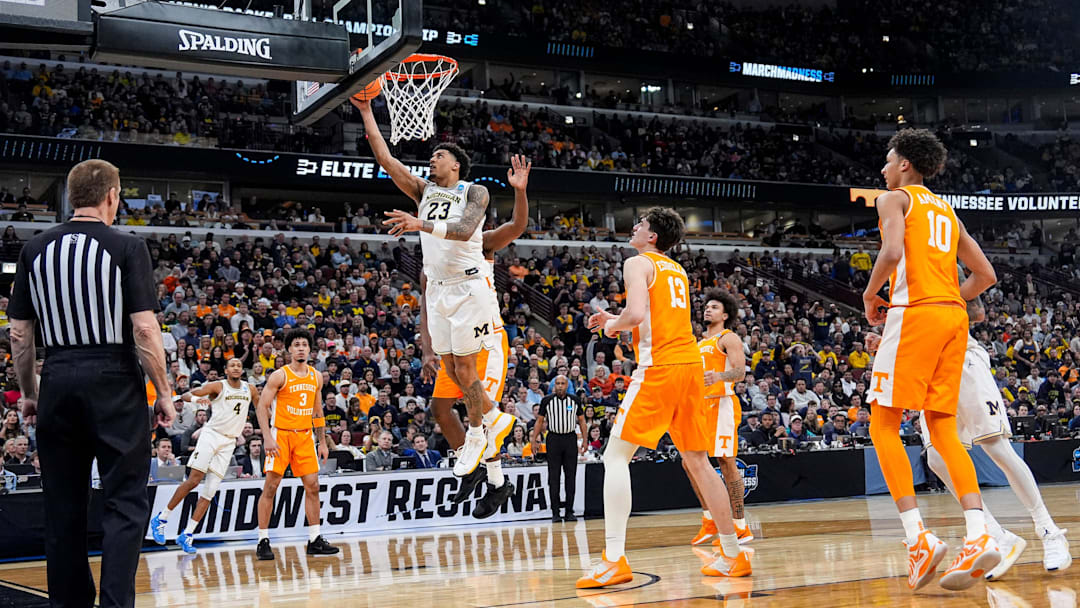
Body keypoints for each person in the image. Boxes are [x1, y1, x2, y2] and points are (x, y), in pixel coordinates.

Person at [8, 159, 175, 608]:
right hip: (114, 377)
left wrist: (29, 394)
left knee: (62, 505)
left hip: (58, 375)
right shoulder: (127, 246)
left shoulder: (35, 248)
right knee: (125, 501)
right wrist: (163, 391)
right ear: (111, 197)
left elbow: (20, 334)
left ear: (70, 196)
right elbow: (144, 330)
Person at [578, 208, 750, 589]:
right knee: (700, 463)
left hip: (662, 370)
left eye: (640, 224)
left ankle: (613, 559)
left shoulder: (637, 263)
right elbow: (651, 316)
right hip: (690, 366)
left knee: (615, 456)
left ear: (652, 236)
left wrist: (610, 324)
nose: (634, 227)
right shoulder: (676, 270)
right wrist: (617, 316)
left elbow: (637, 314)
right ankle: (733, 554)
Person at [863, 129, 1001, 592]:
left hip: (916, 316)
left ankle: (916, 537)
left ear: (904, 164)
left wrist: (869, 293)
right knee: (941, 428)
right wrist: (947, 301)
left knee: (882, 423)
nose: (882, 170)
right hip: (953, 321)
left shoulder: (894, 200)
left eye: (887, 161)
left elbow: (893, 251)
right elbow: (985, 275)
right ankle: (979, 534)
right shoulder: (946, 209)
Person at [870, 271, 1072, 578]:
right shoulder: (898, 268)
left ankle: (1049, 531)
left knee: (996, 446)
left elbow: (976, 311)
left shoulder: (937, 258)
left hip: (962, 358)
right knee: (937, 457)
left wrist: (946, 298)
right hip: (930, 366)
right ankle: (996, 536)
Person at [358, 98, 508, 486]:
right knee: (454, 372)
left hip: (470, 287)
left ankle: (478, 433)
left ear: (455, 165)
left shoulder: (475, 192)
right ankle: (492, 419)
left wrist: (418, 223)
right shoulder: (423, 190)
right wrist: (365, 111)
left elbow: (463, 231)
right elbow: (386, 159)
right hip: (438, 290)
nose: (432, 160)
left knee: (466, 369)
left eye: (439, 155)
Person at [404, 154, 533, 515]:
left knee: (479, 409)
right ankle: (478, 467)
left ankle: (494, 480)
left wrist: (520, 192)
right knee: (441, 408)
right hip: (450, 325)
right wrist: (427, 349)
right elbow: (427, 307)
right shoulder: (434, 260)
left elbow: (517, 226)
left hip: (486, 336)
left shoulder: (483, 241)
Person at [150, 358, 257, 553]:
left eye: (239, 365)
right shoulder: (218, 385)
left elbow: (262, 407)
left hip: (229, 442)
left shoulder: (250, 389)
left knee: (210, 491)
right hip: (211, 435)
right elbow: (186, 395)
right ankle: (161, 518)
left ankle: (187, 534)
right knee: (194, 480)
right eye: (232, 365)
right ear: (226, 369)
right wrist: (197, 399)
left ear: (242, 370)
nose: (236, 367)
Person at [254, 329, 338, 560]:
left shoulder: (316, 376)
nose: (301, 348)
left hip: (304, 437)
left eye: (304, 344)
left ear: (310, 349)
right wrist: (267, 438)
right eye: (296, 344)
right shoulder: (280, 375)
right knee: (271, 487)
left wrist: (322, 441)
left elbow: (318, 411)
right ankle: (263, 539)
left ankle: (314, 539)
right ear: (289, 349)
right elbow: (262, 407)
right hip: (280, 435)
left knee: (312, 486)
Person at [689, 289, 753, 547]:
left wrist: (719, 377)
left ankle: (740, 526)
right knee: (689, 463)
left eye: (714, 307)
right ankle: (710, 520)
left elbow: (739, 372)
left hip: (722, 404)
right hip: (699, 406)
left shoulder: (729, 338)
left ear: (725, 315)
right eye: (706, 306)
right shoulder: (698, 342)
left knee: (726, 462)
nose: (707, 309)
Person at [532, 375, 587, 522]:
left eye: (563, 383)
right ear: (553, 385)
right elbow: (539, 421)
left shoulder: (574, 400)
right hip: (553, 439)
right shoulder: (547, 400)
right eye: (558, 383)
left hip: (570, 439)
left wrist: (585, 440)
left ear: (567, 385)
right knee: (554, 478)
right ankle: (555, 512)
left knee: (570, 477)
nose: (560, 386)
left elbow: (582, 421)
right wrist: (534, 440)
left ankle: (569, 511)